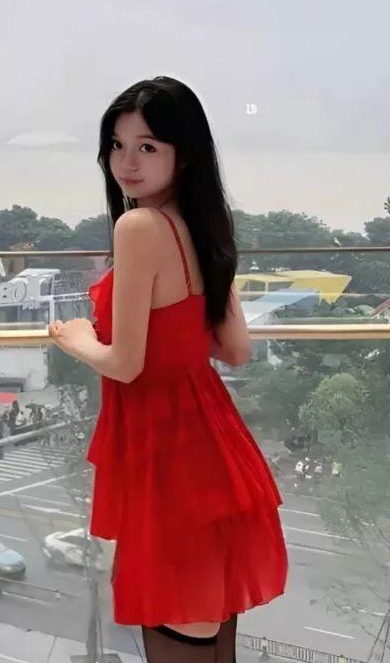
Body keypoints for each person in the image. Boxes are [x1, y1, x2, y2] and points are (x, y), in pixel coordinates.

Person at [48, 78, 288, 661]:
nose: (126, 163)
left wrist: (77, 338)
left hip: (165, 455)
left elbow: (126, 365)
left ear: (185, 154)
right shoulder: (202, 227)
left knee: (178, 629)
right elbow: (235, 349)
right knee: (209, 631)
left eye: (147, 147)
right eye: (117, 145)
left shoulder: (139, 228)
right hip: (212, 445)